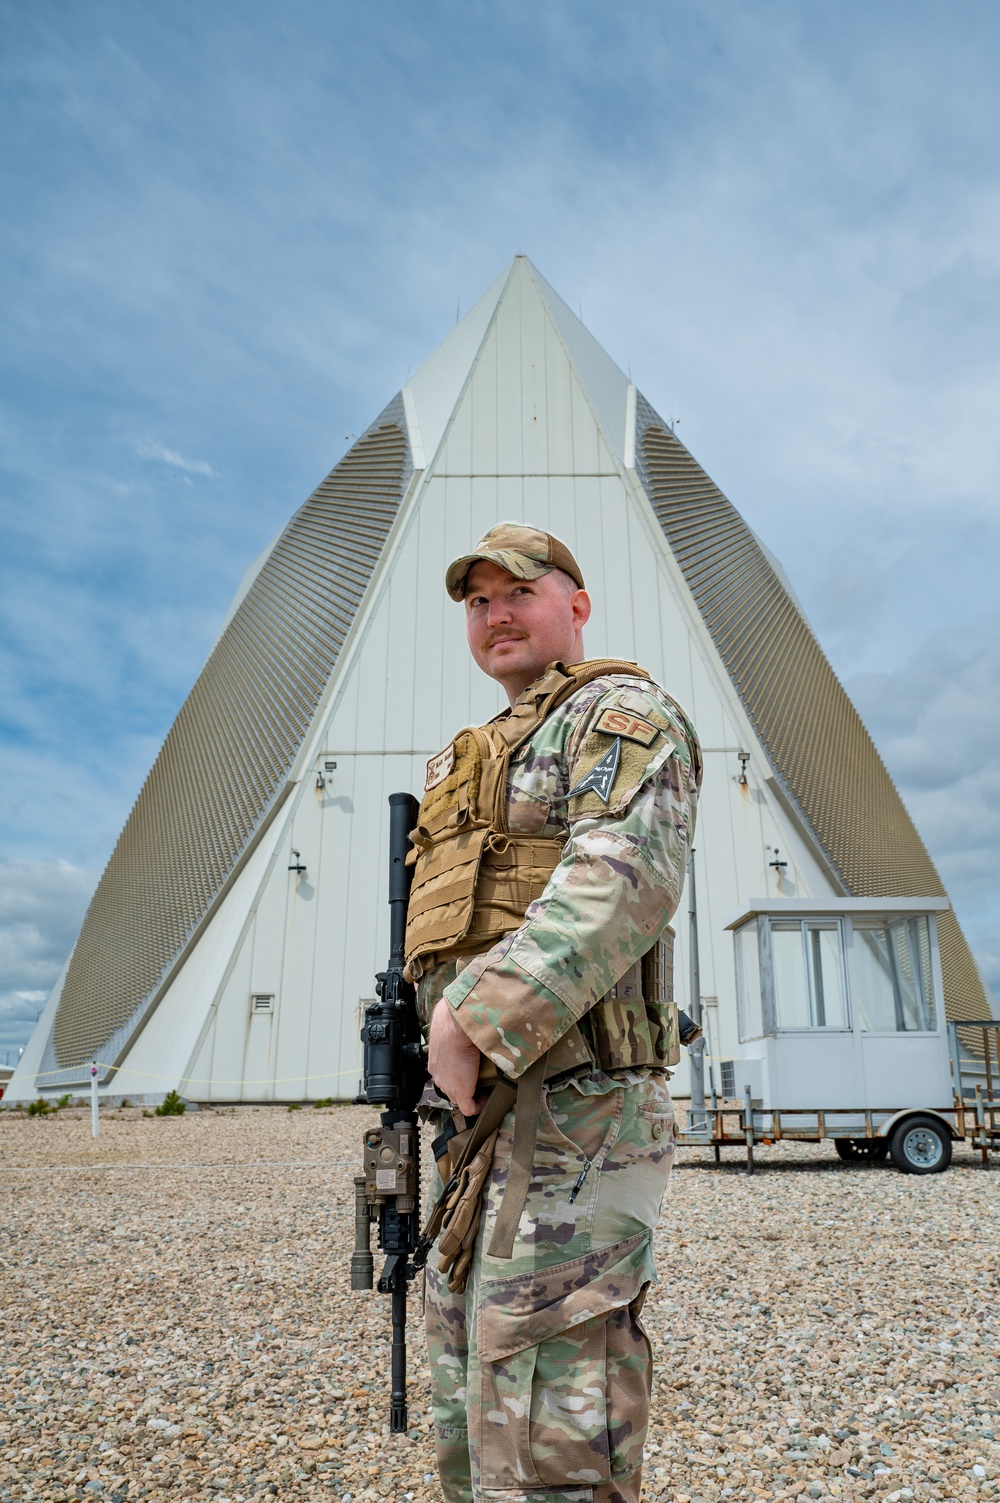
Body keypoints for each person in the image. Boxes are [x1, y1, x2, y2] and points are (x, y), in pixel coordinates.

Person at [406, 523, 702, 1503]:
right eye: (477, 600)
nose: (495, 612)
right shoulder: (471, 758)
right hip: (480, 1118)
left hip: (576, 1115)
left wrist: (472, 1020)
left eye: (517, 591)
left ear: (574, 605)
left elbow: (623, 876)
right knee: (468, 1380)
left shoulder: (616, 711)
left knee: (550, 1402)